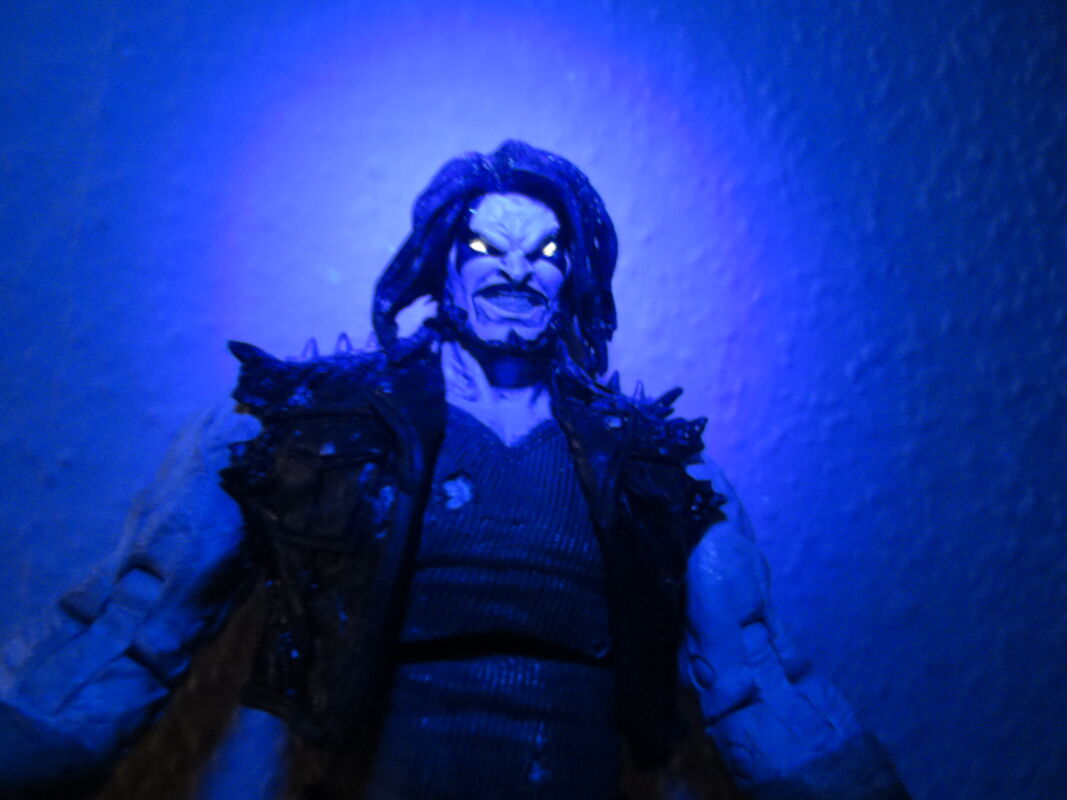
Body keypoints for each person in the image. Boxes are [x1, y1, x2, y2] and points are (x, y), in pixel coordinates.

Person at [0, 141, 910, 799]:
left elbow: (756, 674)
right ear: (440, 263)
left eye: (544, 254)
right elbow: (129, 625)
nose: (516, 274)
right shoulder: (307, 431)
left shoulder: (653, 467)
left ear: (573, 276)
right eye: (485, 250)